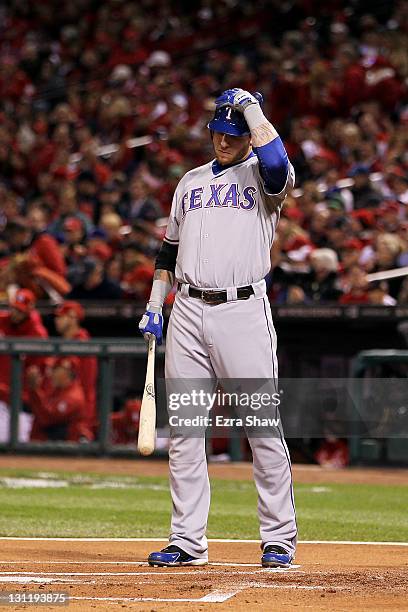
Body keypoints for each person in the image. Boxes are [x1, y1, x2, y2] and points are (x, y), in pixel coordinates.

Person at [139, 88, 297, 568]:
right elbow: (169, 250)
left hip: (242, 311)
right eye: (218, 132)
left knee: (261, 426)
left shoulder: (266, 175)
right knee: (185, 431)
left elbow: (275, 158)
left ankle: (279, 537)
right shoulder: (188, 182)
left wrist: (251, 108)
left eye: (233, 134)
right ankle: (187, 540)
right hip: (186, 311)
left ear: (248, 134)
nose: (224, 141)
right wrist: (154, 303)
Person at [54, 301, 98, 432]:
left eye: (61, 317)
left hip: (80, 410)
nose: (57, 321)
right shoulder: (67, 342)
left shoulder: (81, 341)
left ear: (73, 318)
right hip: (65, 407)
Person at [27, 357, 93, 442]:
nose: (50, 373)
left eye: (55, 369)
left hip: (70, 450)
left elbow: (46, 418)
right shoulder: (57, 391)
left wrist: (34, 390)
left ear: (67, 372)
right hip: (53, 446)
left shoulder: (73, 396)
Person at [0, 288, 49, 405]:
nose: (15, 313)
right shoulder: (2, 321)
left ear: (29, 311)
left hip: (21, 399)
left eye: (20, 310)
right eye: (14, 308)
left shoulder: (38, 334)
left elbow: (36, 372)